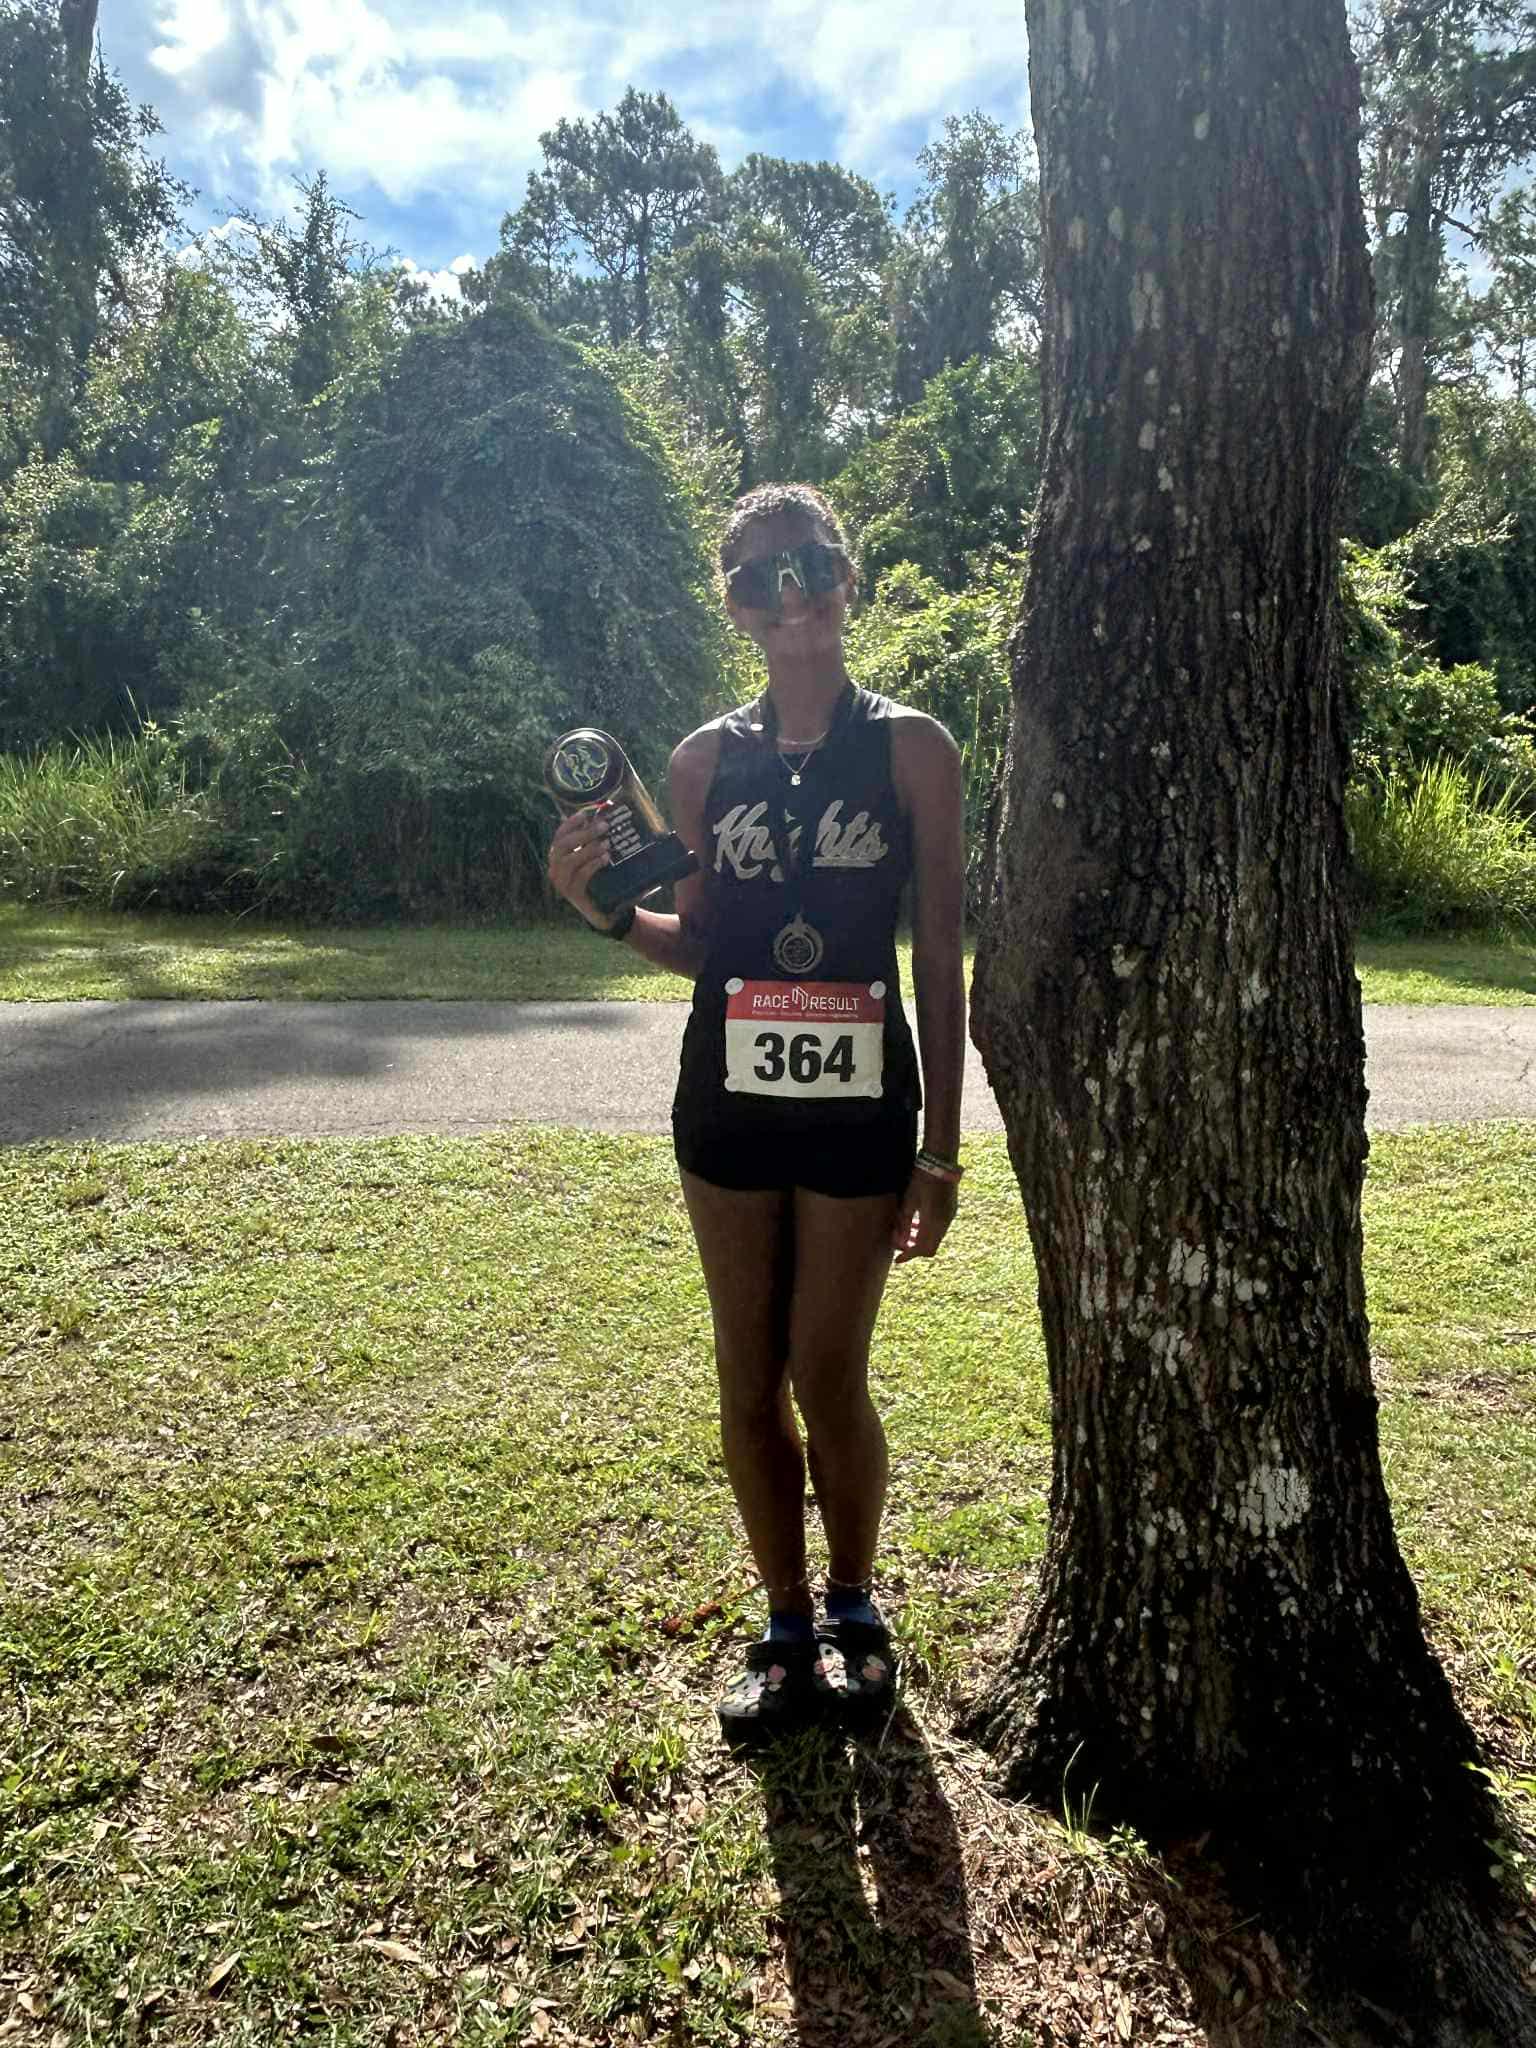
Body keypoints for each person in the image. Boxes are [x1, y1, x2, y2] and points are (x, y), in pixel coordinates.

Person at [547, 483, 966, 1742]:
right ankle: (784, 1623)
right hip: (726, 1110)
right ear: (732, 605)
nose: (792, 597)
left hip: (857, 1112)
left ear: (848, 577)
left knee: (827, 1368)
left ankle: (853, 1603)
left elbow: (937, 958)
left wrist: (940, 1148)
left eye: (812, 568)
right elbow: (715, 948)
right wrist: (609, 912)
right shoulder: (697, 762)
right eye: (761, 579)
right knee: (746, 1373)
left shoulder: (913, 750)